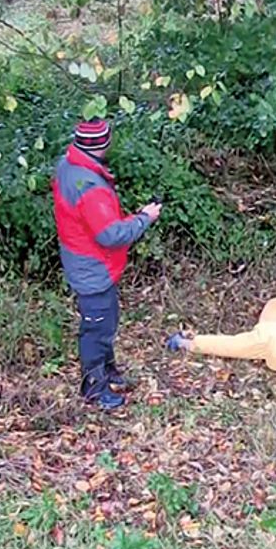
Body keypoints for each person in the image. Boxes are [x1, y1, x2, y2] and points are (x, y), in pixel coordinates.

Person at [52, 118, 162, 409]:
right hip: (92, 267)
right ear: (102, 145)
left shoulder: (68, 165)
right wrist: (144, 218)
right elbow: (110, 234)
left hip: (84, 260)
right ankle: (94, 387)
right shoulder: (89, 186)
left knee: (106, 318)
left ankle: (107, 369)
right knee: (97, 327)